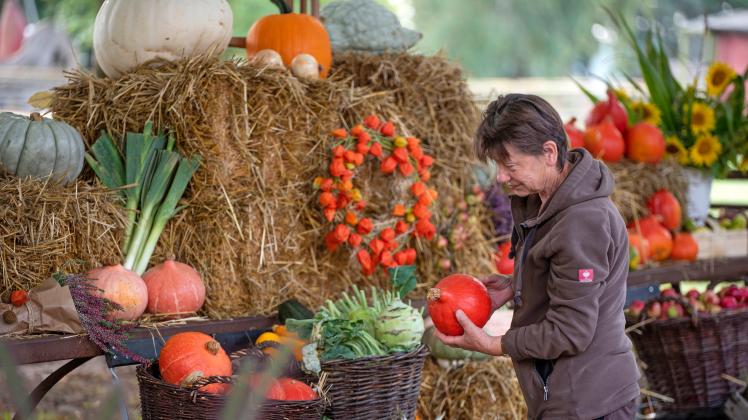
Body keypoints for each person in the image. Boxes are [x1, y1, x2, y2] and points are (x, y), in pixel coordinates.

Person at [434, 94, 640, 419]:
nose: (501, 177)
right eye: (498, 165)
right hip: (562, 396)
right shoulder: (542, 199)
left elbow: (570, 330)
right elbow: (558, 270)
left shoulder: (582, 223)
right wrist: (517, 284)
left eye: (510, 165)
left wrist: (496, 344)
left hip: (588, 403)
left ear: (549, 152)